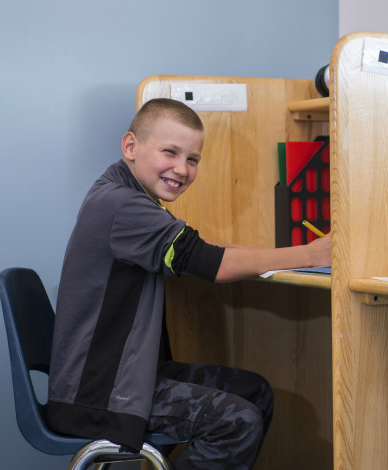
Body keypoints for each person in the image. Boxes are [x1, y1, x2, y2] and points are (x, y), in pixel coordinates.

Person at [48, 98, 331, 470]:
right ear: (131, 146)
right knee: (237, 422)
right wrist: (311, 255)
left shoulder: (124, 194)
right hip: (98, 393)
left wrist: (287, 252)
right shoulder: (124, 206)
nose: (181, 169)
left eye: (193, 159)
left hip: (114, 376)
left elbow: (207, 250)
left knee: (254, 392)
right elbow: (215, 265)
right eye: (170, 152)